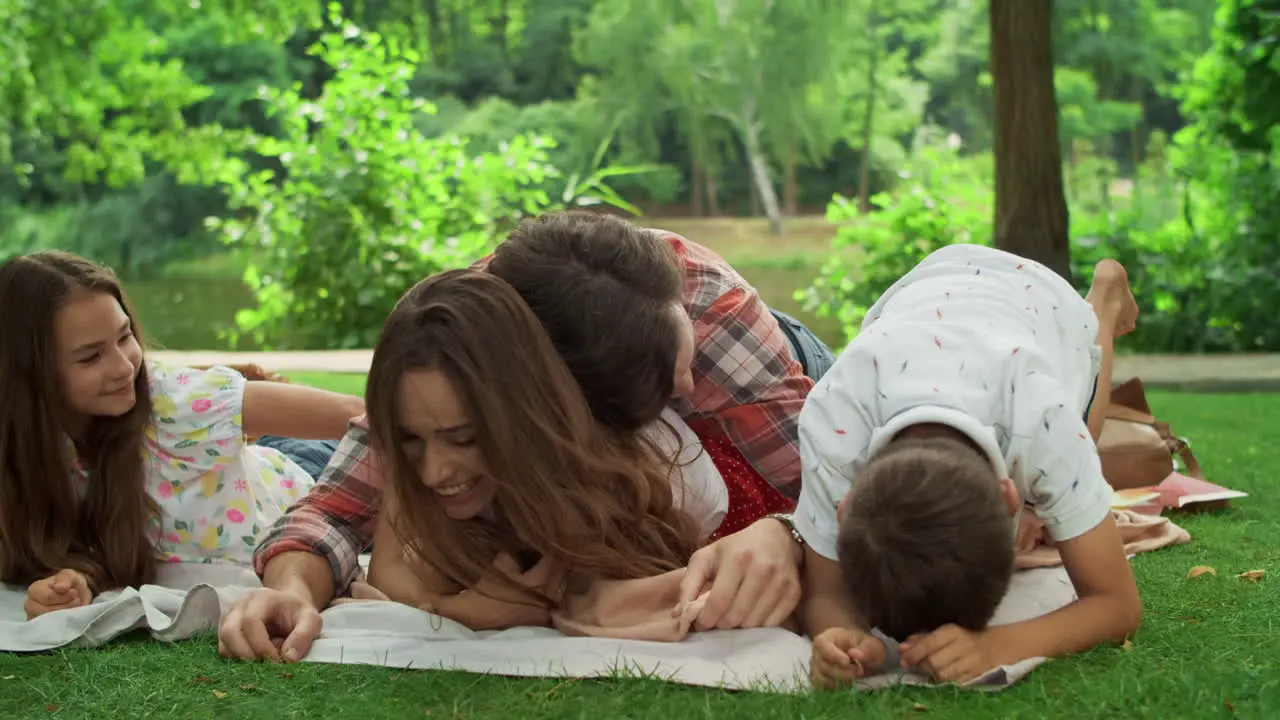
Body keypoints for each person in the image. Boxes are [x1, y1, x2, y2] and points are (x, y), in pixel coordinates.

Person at [218, 211, 826, 662]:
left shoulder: (714, 319)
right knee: (322, 459)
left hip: (794, 367)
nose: (689, 388)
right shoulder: (459, 342)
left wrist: (789, 532)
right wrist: (294, 591)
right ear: (540, 398)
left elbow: (833, 483)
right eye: (663, 385)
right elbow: (336, 507)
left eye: (458, 439)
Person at [797, 244, 1143, 689]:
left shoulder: (1039, 412)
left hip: (1043, 302)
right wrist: (842, 636)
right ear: (843, 510)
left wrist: (996, 645)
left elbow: (1117, 604)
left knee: (1082, 434)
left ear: (1010, 496)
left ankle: (1106, 297)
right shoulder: (832, 421)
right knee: (1066, 467)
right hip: (927, 286)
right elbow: (827, 593)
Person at [357, 270, 770, 630]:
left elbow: (631, 599)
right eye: (410, 439)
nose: (432, 472)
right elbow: (389, 573)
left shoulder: (630, 478)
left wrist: (463, 609)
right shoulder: (424, 427)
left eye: (463, 438)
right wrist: (453, 610)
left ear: (522, 416)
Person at [0, 252, 364, 620]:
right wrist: (76, 579)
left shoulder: (177, 404)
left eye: (125, 336)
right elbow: (89, 542)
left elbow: (357, 415)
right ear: (31, 375)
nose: (124, 366)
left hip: (312, 472)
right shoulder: (30, 455)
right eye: (90, 357)